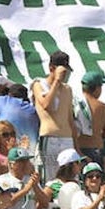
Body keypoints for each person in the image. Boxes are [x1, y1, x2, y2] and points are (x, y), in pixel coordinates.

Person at [32, 51, 77, 181]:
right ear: (52, 68)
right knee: (50, 178)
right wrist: (56, 81)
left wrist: (77, 147)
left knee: (70, 176)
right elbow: (46, 105)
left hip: (67, 139)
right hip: (50, 138)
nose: (65, 75)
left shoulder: (67, 89)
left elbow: (70, 119)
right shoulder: (39, 84)